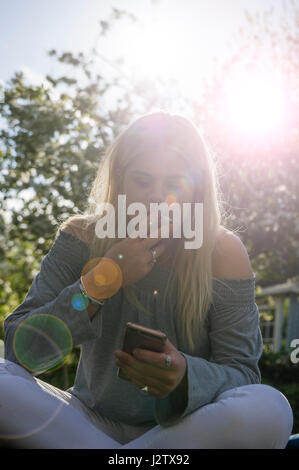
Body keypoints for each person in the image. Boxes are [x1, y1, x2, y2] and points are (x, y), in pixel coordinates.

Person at [0, 112, 293, 449]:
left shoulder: (222, 251)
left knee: (270, 407)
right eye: (142, 180)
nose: (157, 197)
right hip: (85, 421)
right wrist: (99, 282)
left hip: (187, 430)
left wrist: (185, 376)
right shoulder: (82, 236)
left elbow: (243, 373)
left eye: (173, 183)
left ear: (195, 189)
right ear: (120, 179)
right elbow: (21, 354)